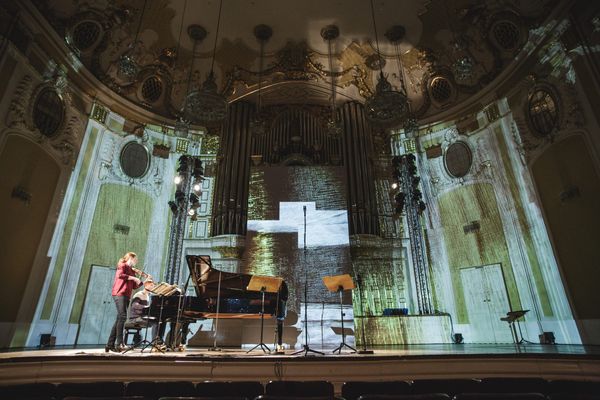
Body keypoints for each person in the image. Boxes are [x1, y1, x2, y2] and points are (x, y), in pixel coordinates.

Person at [105, 252, 143, 352]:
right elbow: (120, 275)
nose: (137, 261)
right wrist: (133, 278)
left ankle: (110, 344)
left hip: (126, 295)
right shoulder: (123, 265)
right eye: (136, 259)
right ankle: (120, 343)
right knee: (122, 317)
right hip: (119, 293)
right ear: (130, 257)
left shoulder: (131, 270)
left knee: (119, 319)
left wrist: (141, 281)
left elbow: (134, 286)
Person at [125, 280, 166, 350]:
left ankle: (160, 341)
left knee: (160, 321)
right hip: (135, 318)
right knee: (155, 323)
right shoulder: (139, 294)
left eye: (153, 285)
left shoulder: (147, 296)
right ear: (145, 285)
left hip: (142, 316)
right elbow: (134, 305)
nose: (153, 287)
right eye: (151, 285)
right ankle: (155, 344)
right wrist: (146, 307)